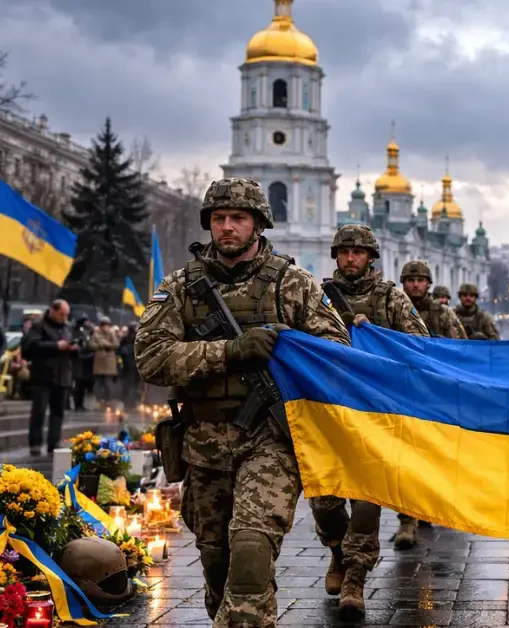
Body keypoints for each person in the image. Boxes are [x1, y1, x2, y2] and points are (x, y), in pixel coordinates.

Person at [135, 178, 350, 627]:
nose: (227, 227)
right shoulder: (181, 286)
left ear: (258, 225)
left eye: (238, 218)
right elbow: (151, 357)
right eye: (218, 218)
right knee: (217, 563)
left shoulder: (293, 283)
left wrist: (288, 345)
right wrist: (229, 352)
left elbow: (336, 351)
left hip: (270, 439)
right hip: (203, 444)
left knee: (251, 549)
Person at [311, 224, 427, 619]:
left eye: (358, 252)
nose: (350, 258)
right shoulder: (318, 297)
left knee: (366, 500)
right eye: (344, 252)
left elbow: (418, 342)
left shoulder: (391, 297)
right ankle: (337, 550)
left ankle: (355, 579)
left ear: (370, 257)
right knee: (324, 501)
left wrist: (376, 334)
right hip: (328, 412)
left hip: (374, 414)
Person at [21, 299, 75, 457]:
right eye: (62, 314)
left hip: (63, 374)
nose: (64, 318)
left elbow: (77, 348)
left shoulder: (67, 327)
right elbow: (32, 347)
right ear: (53, 311)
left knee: (58, 412)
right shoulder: (39, 326)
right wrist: (56, 346)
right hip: (43, 376)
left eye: (66, 315)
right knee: (39, 411)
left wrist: (74, 348)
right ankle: (35, 443)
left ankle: (54, 442)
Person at [400, 260, 466, 340]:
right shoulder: (394, 310)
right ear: (403, 283)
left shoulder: (444, 313)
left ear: (428, 284)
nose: (415, 284)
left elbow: (461, 345)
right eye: (410, 280)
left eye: (420, 280)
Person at [89, 317, 120, 409]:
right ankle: (98, 401)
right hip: (99, 362)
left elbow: (116, 344)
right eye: (104, 325)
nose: (105, 327)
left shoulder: (112, 334)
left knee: (108, 383)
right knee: (98, 383)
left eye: (107, 325)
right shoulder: (96, 335)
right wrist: (100, 345)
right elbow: (91, 345)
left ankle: (108, 401)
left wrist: (106, 344)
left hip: (109, 362)